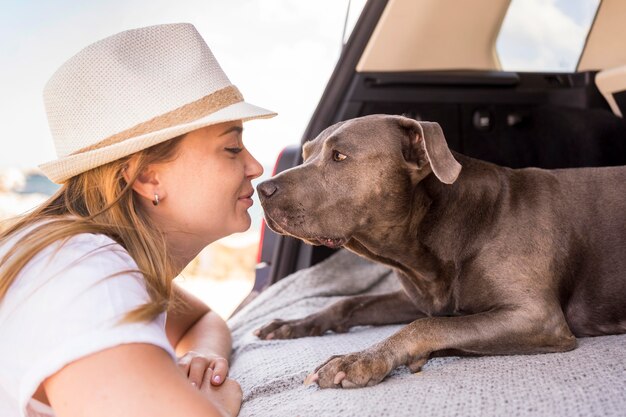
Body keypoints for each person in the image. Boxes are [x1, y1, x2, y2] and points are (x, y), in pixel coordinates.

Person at [0, 23, 276, 417]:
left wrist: (201, 358)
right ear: (146, 176)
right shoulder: (86, 273)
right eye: (231, 148)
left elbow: (200, 317)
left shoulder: (79, 257)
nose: (255, 166)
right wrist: (210, 405)